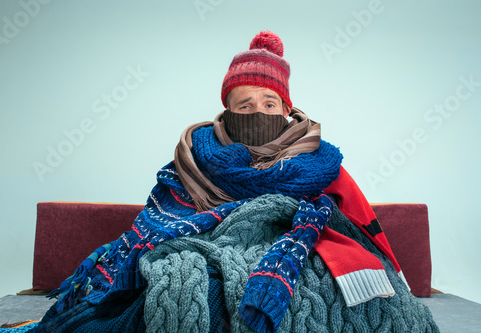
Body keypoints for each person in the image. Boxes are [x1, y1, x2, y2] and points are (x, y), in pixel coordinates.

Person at [26, 31, 438, 333]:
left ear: (286, 108)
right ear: (226, 112)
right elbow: (161, 222)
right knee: (188, 283)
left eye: (268, 103)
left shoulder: (318, 162)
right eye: (245, 104)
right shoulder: (195, 159)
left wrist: (395, 275)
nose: (257, 111)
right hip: (211, 248)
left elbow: (362, 223)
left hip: (297, 248)